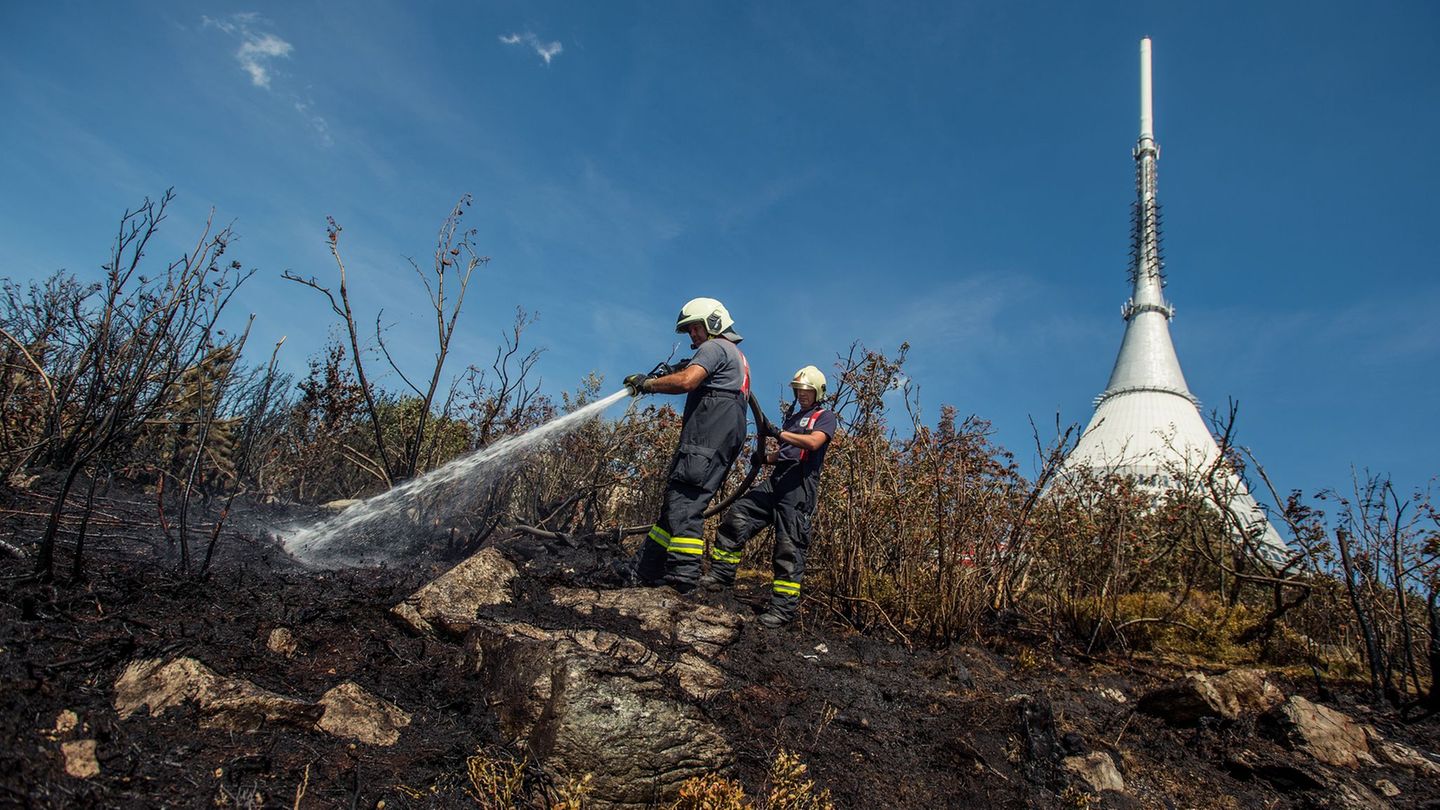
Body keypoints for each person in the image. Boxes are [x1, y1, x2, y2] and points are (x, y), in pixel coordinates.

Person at [622, 297, 750, 592]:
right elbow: (689, 370)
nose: (692, 335)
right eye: (689, 330)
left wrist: (648, 384)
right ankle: (644, 571)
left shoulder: (714, 347)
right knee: (676, 504)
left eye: (695, 328)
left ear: (713, 323)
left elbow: (688, 381)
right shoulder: (734, 355)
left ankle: (682, 579)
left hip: (705, 438)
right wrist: (669, 370)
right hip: (722, 436)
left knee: (685, 504)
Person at [702, 365, 836, 628]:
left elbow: (812, 444)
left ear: (817, 391)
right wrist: (764, 459)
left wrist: (778, 433)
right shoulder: (793, 418)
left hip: (800, 487)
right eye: (799, 390)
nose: (802, 394)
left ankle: (782, 610)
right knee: (739, 514)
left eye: (807, 390)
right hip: (777, 481)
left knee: (789, 547)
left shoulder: (824, 416)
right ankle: (722, 574)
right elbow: (787, 453)